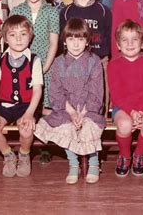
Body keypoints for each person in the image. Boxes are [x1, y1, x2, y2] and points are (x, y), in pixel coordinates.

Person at [34, 18, 105, 184]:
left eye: (80, 39)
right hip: (66, 109)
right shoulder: (58, 62)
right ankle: (73, 163)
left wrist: (84, 111)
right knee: (65, 127)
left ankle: (93, 161)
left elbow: (96, 91)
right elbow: (56, 91)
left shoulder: (94, 61)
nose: (75, 44)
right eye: (71, 39)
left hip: (89, 108)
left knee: (88, 126)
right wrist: (71, 112)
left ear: (87, 41)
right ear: (64, 41)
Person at [10, 0, 59, 163]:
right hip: (23, 66)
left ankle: (44, 146)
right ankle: (25, 145)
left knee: (45, 106)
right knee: (27, 106)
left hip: (45, 65)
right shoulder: (17, 10)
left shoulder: (51, 11)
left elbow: (54, 42)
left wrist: (45, 67)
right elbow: (11, 40)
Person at [0, 15, 43, 178]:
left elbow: (37, 90)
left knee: (26, 129)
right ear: (5, 38)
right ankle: (8, 155)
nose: (18, 39)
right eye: (13, 35)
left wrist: (30, 113)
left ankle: (24, 155)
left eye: (23, 34)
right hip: (4, 105)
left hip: (27, 106)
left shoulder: (34, 60)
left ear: (30, 36)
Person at [108, 20, 143, 177]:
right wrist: (131, 111)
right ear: (118, 44)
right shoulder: (114, 64)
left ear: (142, 43)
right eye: (124, 39)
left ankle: (139, 154)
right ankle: (124, 155)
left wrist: (141, 110)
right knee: (124, 125)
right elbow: (116, 94)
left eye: (135, 39)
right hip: (122, 107)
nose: (130, 44)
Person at [60, 0, 112, 114]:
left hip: (99, 62)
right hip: (73, 63)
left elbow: (108, 39)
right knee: (75, 102)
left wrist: (102, 58)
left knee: (97, 102)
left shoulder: (104, 11)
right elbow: (62, 41)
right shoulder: (65, 12)